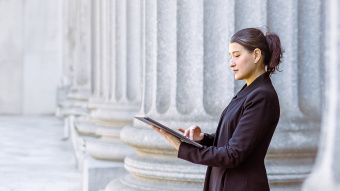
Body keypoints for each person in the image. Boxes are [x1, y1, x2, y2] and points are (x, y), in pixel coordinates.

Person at [152, 27, 283, 191]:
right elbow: (235, 139)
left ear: (256, 55)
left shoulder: (262, 96)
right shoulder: (249, 92)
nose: (231, 63)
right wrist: (202, 139)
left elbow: (233, 154)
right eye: (230, 57)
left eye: (237, 55)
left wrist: (182, 148)